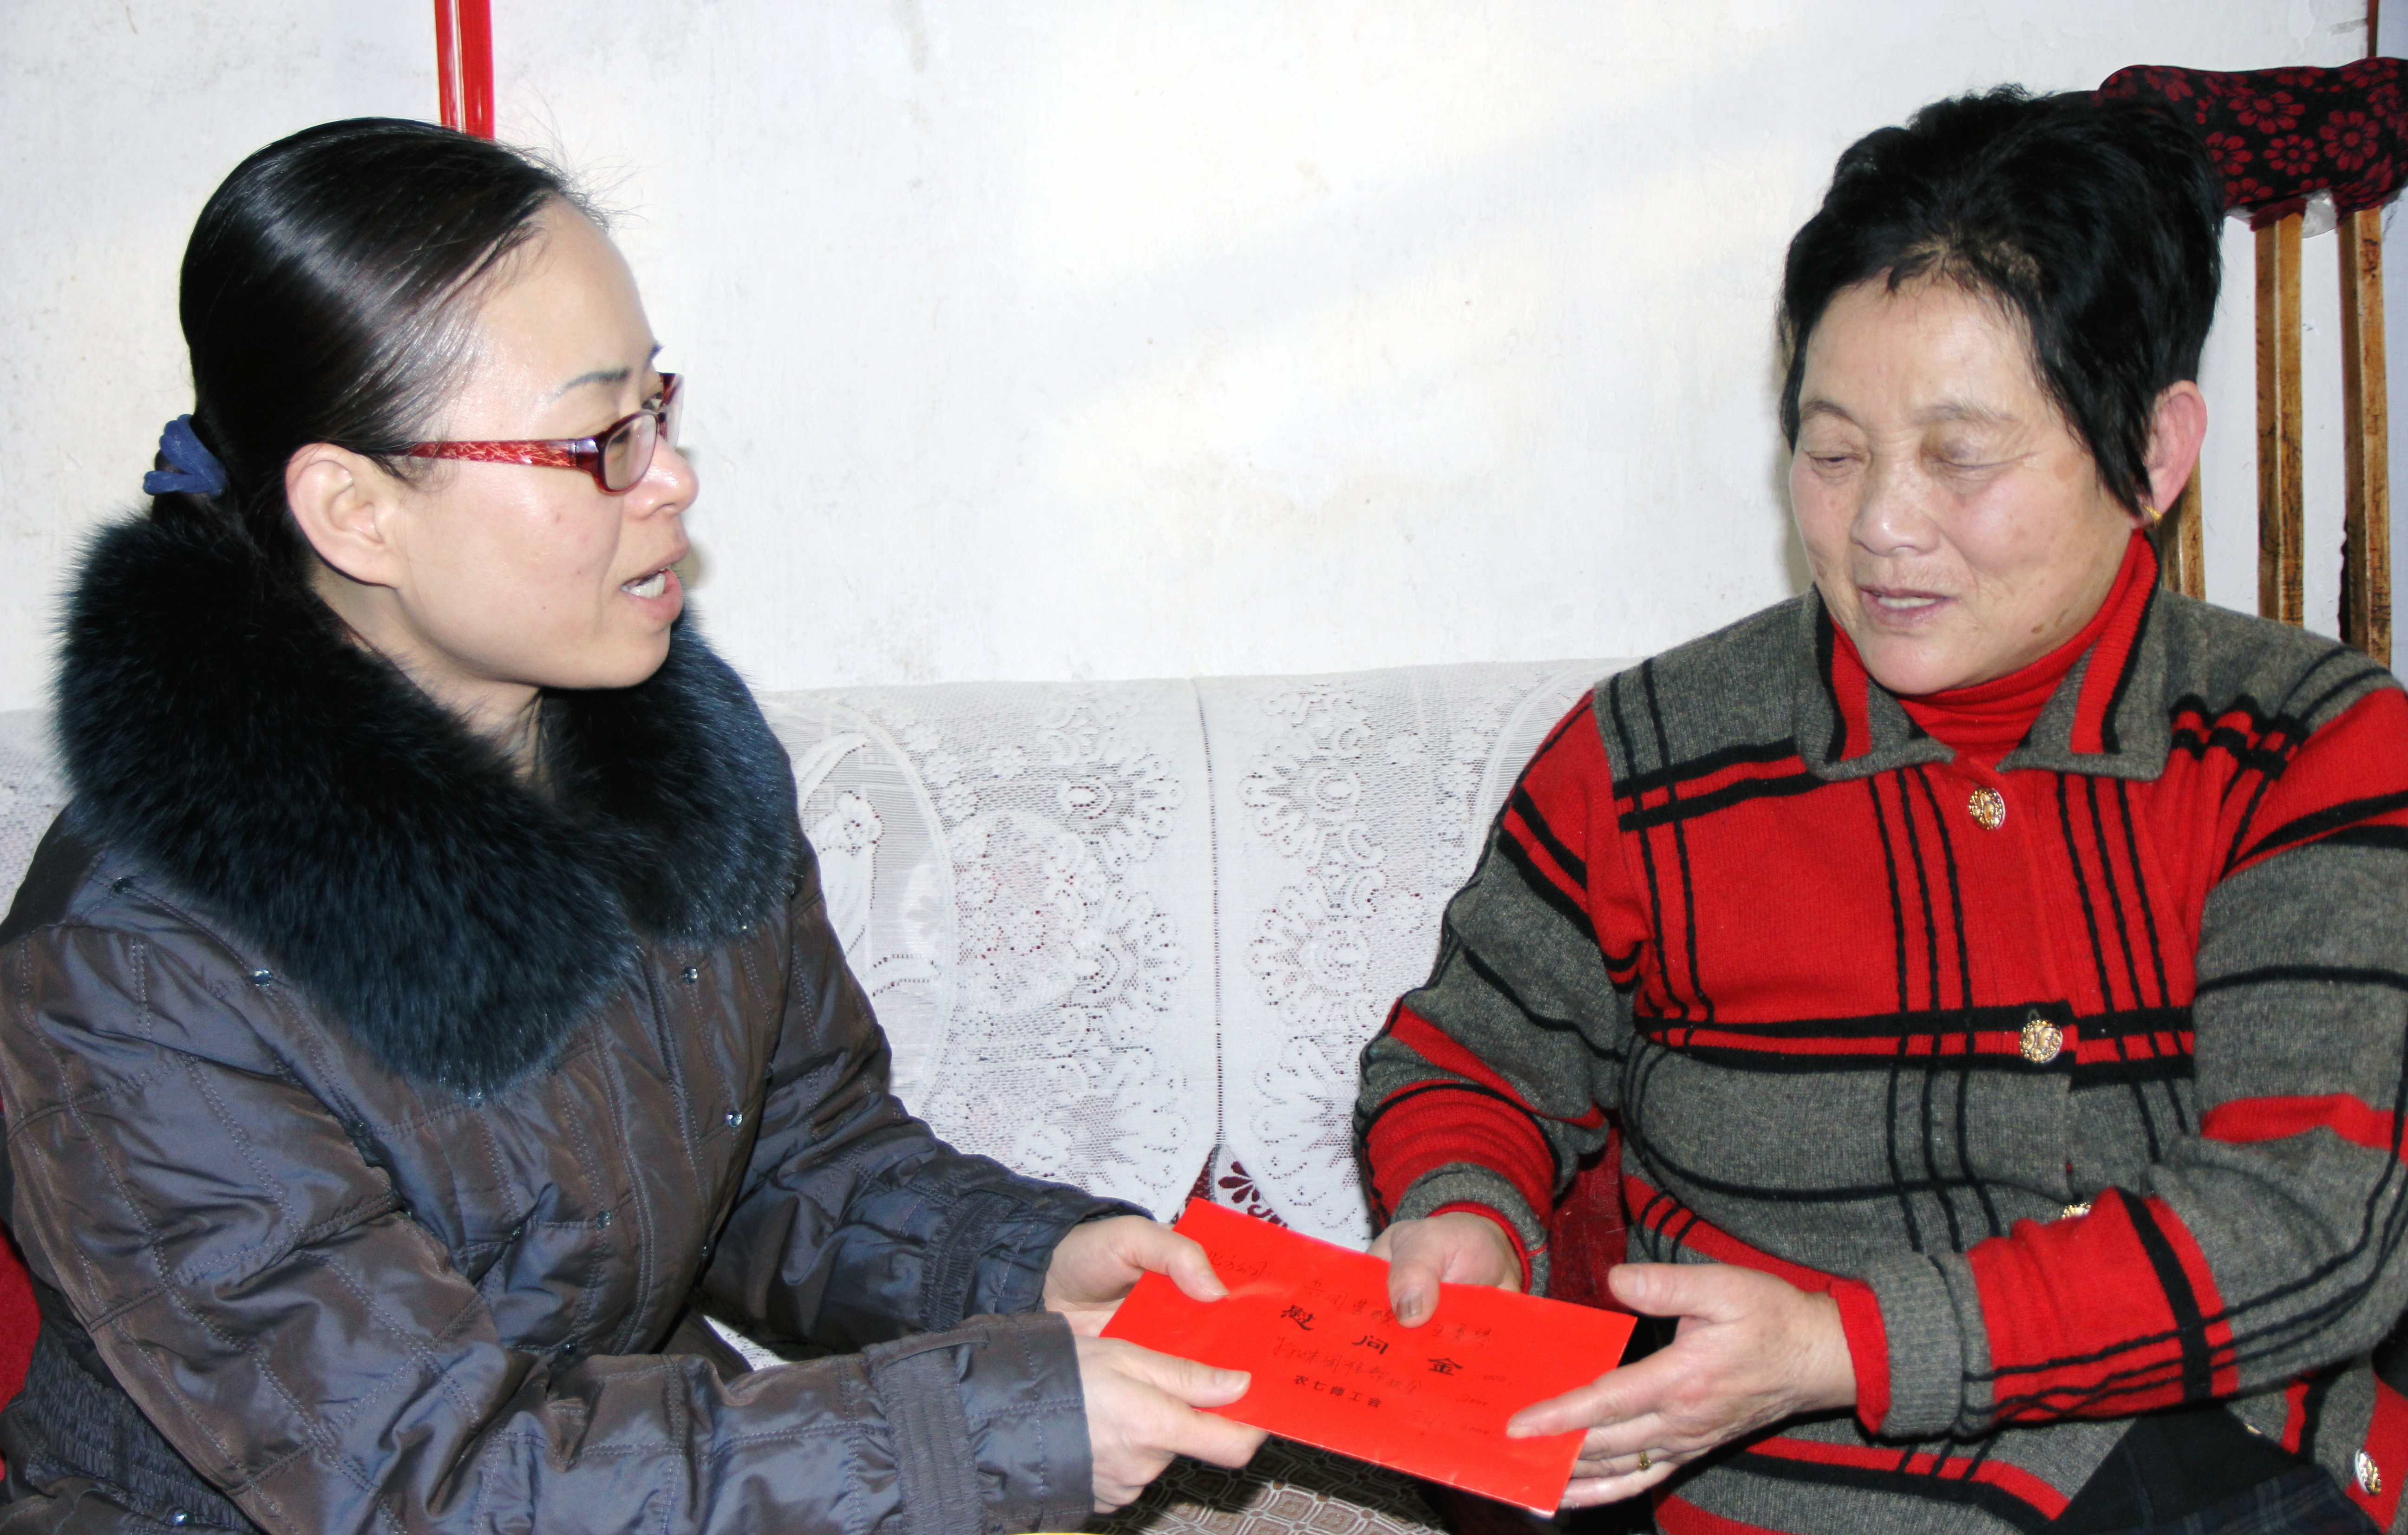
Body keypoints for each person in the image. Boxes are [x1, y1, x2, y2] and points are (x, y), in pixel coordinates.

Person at [0, 118, 1263, 1535]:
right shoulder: (130, 971)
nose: (672, 476)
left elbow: (786, 1156)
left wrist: (1023, 1265)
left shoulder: (667, 752)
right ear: (356, 512)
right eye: (599, 438)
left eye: (658, 404)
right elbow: (435, 1484)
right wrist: (979, 1425)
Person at [1358, 87, 2408, 1534]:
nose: (1880, 527)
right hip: (1755, 1476)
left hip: (2199, 1448)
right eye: (1834, 451)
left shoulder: (2305, 747)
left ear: (2155, 452)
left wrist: (1843, 1343)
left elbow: (2305, 1217)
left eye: (1960, 456)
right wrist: (1466, 1212)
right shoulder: (1648, 755)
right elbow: (1469, 1056)